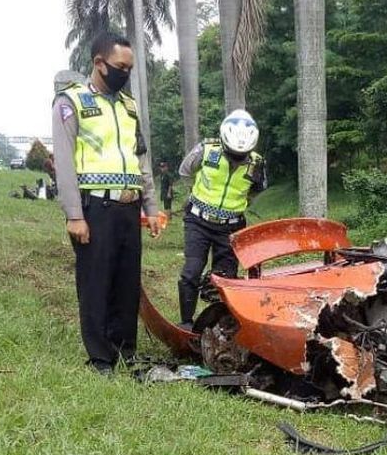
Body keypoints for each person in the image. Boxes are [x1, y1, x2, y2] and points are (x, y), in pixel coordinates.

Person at [52, 33, 161, 375]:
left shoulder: (129, 107)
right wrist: (74, 214)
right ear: (99, 63)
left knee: (127, 282)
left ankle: (125, 349)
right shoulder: (71, 103)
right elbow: (64, 162)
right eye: (119, 67)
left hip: (129, 208)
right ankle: (101, 356)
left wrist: (152, 207)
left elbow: (141, 159)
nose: (124, 73)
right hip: (94, 208)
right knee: (96, 282)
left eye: (129, 68)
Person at [175, 110, 267, 329]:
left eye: (242, 154)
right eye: (233, 153)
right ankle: (186, 322)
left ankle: (219, 325)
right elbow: (185, 170)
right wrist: (199, 195)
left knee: (226, 278)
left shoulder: (257, 163)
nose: (237, 158)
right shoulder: (206, 150)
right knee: (192, 271)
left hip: (231, 227)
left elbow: (258, 189)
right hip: (198, 221)